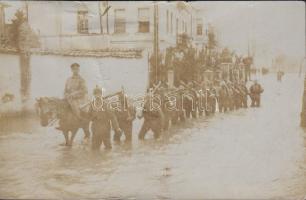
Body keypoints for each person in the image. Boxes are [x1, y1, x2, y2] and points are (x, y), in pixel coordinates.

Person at [88, 86, 121, 150]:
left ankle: (107, 160)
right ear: (94, 95)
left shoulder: (106, 104)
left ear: (101, 94)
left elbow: (112, 117)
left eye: (99, 94)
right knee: (94, 149)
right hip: (95, 129)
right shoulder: (92, 104)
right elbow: (89, 116)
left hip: (105, 129)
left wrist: (117, 128)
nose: (97, 95)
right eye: (95, 94)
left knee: (108, 148)